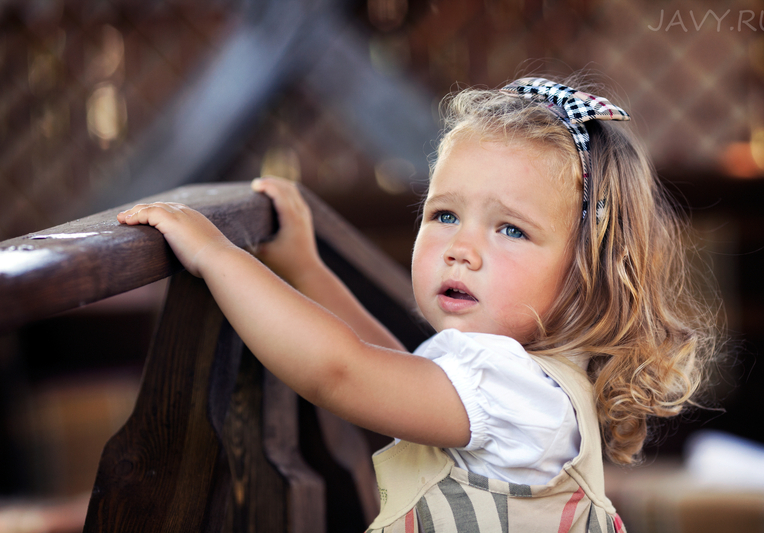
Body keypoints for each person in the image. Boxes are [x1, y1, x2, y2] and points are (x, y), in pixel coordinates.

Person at [117, 76, 719, 532]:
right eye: (445, 214)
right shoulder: (512, 379)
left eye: (510, 229)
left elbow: (341, 371)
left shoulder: (518, 392)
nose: (461, 249)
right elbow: (383, 364)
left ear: (586, 272)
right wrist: (306, 267)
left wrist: (217, 257)